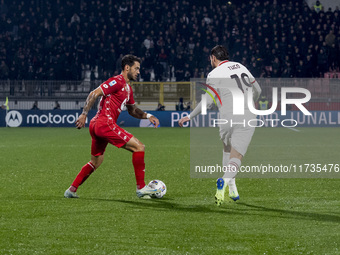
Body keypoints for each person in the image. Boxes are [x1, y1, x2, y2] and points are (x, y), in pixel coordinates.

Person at [64, 55, 161, 199]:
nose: (138, 72)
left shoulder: (127, 88)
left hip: (97, 125)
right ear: (127, 68)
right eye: (136, 68)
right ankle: (141, 188)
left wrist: (148, 116)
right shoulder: (117, 81)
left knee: (96, 161)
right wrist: (84, 114)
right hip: (104, 123)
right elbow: (93, 94)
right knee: (139, 147)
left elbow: (133, 110)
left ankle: (71, 190)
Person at [178, 45, 261, 206]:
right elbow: (257, 89)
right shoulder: (242, 66)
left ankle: (232, 188)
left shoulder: (213, 74)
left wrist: (190, 116)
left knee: (227, 149)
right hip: (246, 115)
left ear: (213, 58)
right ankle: (224, 180)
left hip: (226, 117)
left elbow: (207, 101)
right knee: (236, 156)